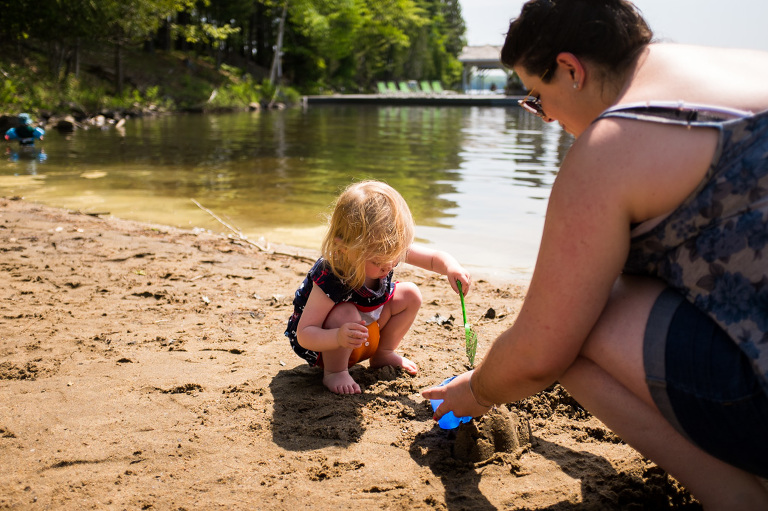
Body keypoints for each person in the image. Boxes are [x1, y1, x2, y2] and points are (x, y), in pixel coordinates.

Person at [422, 0, 768, 508]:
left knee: (572, 328)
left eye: (538, 98)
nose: (546, 118)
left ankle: (738, 499)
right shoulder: (739, 67)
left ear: (570, 69)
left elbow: (540, 355)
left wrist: (475, 392)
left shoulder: (614, 144)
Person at [286, 180, 471, 395]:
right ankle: (335, 372)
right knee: (345, 312)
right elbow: (305, 334)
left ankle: (383, 352)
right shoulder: (331, 274)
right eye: (379, 262)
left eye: (393, 259)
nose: (389, 266)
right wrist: (337, 337)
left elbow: (432, 259)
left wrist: (451, 267)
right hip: (328, 344)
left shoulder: (387, 248)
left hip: (364, 333)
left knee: (410, 294)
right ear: (343, 248)